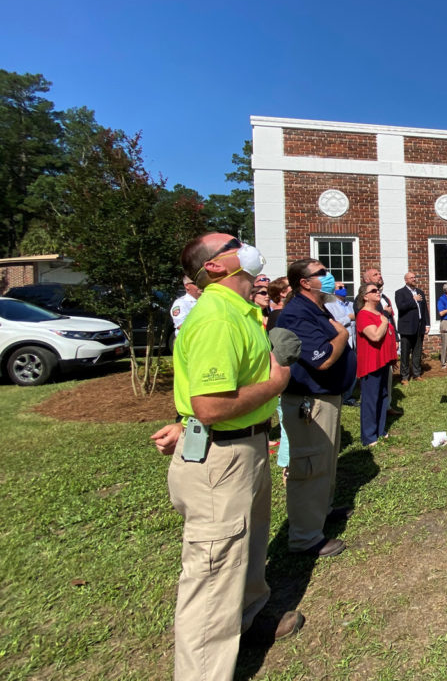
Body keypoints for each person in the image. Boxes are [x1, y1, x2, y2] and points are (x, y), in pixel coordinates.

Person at [149, 233, 301, 681]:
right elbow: (211, 406)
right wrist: (276, 385)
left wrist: (184, 420)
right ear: (215, 267)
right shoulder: (216, 316)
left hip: (246, 447)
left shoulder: (241, 312)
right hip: (222, 459)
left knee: (249, 549)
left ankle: (248, 621)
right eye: (234, 243)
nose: (246, 244)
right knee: (213, 576)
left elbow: (204, 396)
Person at [274, 259, 353, 557]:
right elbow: (322, 358)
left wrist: (338, 333)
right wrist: (343, 335)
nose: (329, 276)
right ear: (304, 282)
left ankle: (323, 510)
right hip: (309, 401)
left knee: (325, 462)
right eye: (321, 273)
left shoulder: (317, 307)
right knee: (309, 468)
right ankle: (306, 537)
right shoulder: (296, 314)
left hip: (326, 397)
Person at [354, 283, 398, 446]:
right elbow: (374, 336)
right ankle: (369, 436)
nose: (377, 293)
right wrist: (384, 322)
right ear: (365, 296)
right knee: (371, 399)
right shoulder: (364, 314)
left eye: (378, 290)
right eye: (373, 291)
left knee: (382, 396)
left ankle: (380, 430)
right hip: (371, 362)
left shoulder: (378, 313)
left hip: (383, 361)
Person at [395, 271, 430, 383]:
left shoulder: (420, 292)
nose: (414, 279)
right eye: (411, 278)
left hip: (419, 326)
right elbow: (401, 307)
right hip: (407, 327)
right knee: (405, 353)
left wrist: (427, 324)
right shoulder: (400, 292)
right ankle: (404, 377)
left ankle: (416, 374)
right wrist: (413, 300)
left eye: (415, 277)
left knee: (417, 352)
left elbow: (424, 309)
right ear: (406, 280)